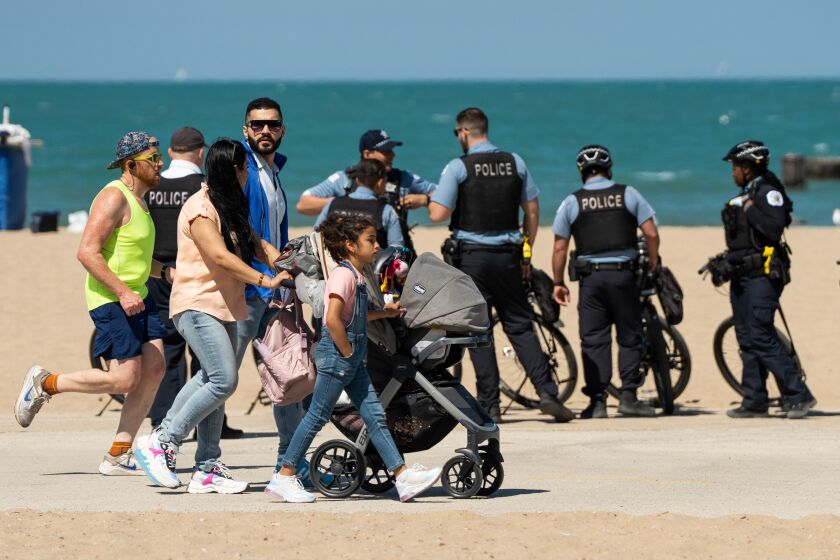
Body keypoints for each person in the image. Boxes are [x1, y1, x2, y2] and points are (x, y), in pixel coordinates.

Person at [135, 139, 288, 493]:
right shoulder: (201, 208)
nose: (249, 173)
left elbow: (256, 245)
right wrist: (265, 279)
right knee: (224, 378)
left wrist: (287, 263)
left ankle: (206, 468)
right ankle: (164, 440)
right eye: (245, 168)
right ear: (231, 170)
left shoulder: (231, 206)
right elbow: (220, 256)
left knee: (212, 379)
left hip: (223, 306)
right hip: (195, 303)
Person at [14, 131, 167, 476]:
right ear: (131, 165)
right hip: (111, 299)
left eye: (160, 158)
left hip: (138, 296)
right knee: (125, 379)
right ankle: (46, 383)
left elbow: (132, 256)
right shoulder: (114, 197)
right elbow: (86, 251)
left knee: (155, 368)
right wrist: (123, 292)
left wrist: (164, 272)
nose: (160, 165)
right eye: (153, 160)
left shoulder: (142, 201)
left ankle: (118, 453)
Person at [266, 214, 441, 503]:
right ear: (350, 245)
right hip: (338, 356)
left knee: (374, 416)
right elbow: (332, 319)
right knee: (316, 416)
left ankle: (402, 477)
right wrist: (347, 351)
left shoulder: (357, 276)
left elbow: (354, 315)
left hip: (351, 357)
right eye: (370, 240)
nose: (377, 246)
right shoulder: (344, 275)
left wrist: (385, 313)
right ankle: (284, 476)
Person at [427, 107, 574, 424]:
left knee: (479, 330)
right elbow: (532, 211)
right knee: (521, 324)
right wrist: (526, 253)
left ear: (464, 133)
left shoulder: (458, 167)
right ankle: (548, 394)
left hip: (472, 258)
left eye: (457, 134)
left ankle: (489, 405)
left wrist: (429, 199)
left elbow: (438, 214)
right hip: (509, 256)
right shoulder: (515, 162)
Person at [145, 126, 242, 438]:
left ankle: (161, 416)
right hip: (194, 271)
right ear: (201, 153)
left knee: (169, 350)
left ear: (171, 152)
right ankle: (199, 425)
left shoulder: (152, 186)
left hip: (158, 271)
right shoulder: (201, 189)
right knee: (209, 360)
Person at [231, 97, 309, 481]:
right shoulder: (241, 169)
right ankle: (183, 448)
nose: (265, 131)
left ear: (282, 129)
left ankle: (289, 463)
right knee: (220, 379)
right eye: (257, 125)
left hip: (275, 290)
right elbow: (237, 229)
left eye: (272, 124)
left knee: (288, 377)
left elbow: (273, 232)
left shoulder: (273, 171)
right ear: (245, 129)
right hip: (247, 290)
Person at [551, 145, 660, 419]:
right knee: (630, 336)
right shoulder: (629, 194)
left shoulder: (572, 202)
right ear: (609, 168)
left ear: (581, 172)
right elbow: (651, 233)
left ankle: (598, 402)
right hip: (625, 275)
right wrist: (654, 261)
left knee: (593, 339)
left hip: (592, 279)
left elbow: (559, 248)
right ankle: (628, 397)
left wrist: (558, 282)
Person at [719, 140, 816, 419]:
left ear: (749, 169)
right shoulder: (748, 193)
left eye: (735, 167)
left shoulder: (768, 193)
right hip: (743, 275)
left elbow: (773, 229)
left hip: (763, 275)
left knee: (761, 334)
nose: (732, 173)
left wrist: (749, 209)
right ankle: (755, 400)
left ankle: (799, 395)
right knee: (746, 337)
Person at [296, 129, 436, 252]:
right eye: (385, 151)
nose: (392, 155)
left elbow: (444, 195)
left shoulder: (403, 178)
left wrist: (425, 200)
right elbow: (303, 204)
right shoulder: (345, 178)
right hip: (350, 259)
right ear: (367, 154)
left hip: (394, 260)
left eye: (391, 150)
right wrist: (347, 202)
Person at [314, 158, 404, 248]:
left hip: (331, 260)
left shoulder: (333, 204)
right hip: (373, 261)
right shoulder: (386, 210)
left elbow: (315, 238)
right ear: (380, 183)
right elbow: (396, 248)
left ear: (357, 180)